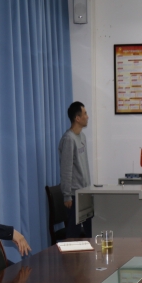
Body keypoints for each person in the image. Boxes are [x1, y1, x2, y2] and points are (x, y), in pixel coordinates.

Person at [59, 101, 92, 238]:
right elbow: (66, 169)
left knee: (90, 231)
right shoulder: (69, 139)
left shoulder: (82, 137)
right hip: (74, 195)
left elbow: (84, 165)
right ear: (77, 118)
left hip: (85, 192)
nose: (87, 116)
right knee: (73, 234)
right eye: (85, 113)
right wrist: (67, 195)